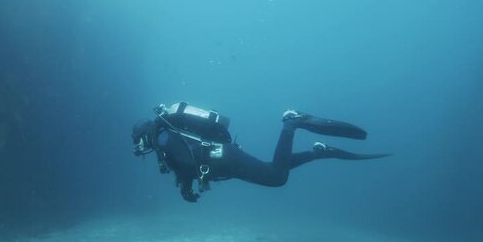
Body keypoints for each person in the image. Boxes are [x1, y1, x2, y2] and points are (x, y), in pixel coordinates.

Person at [132, 102, 390, 202]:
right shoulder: (164, 139)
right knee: (271, 169)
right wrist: (186, 187)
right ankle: (318, 152)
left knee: (276, 177)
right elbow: (186, 161)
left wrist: (184, 182)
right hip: (225, 159)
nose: (139, 149)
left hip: (224, 158)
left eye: (138, 142)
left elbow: (186, 160)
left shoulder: (163, 138)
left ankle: (292, 123)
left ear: (145, 134)